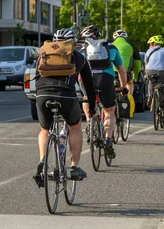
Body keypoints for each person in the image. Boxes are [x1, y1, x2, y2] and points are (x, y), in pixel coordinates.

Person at [34, 28, 96, 186]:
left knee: (44, 130)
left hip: (42, 95)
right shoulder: (78, 57)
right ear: (73, 42)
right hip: (66, 95)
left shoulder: (44, 53)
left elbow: (36, 77)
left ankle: (43, 160)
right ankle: (74, 167)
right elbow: (89, 85)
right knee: (74, 126)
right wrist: (92, 107)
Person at [79, 25, 127, 160]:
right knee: (110, 110)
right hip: (105, 79)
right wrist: (123, 87)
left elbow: (78, 72)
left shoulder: (83, 49)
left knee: (86, 98)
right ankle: (108, 140)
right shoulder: (111, 47)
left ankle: (89, 122)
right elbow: (122, 70)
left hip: (88, 79)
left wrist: (81, 87)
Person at [144, 35, 164, 110]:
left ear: (154, 44)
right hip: (161, 72)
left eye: (150, 44)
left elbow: (146, 63)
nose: (149, 46)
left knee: (150, 82)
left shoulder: (148, 51)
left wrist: (145, 73)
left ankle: (149, 96)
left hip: (149, 71)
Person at [112, 30, 141, 95]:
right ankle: (128, 100)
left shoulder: (110, 45)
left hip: (111, 73)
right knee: (130, 83)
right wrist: (135, 77)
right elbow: (137, 63)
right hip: (126, 72)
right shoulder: (131, 45)